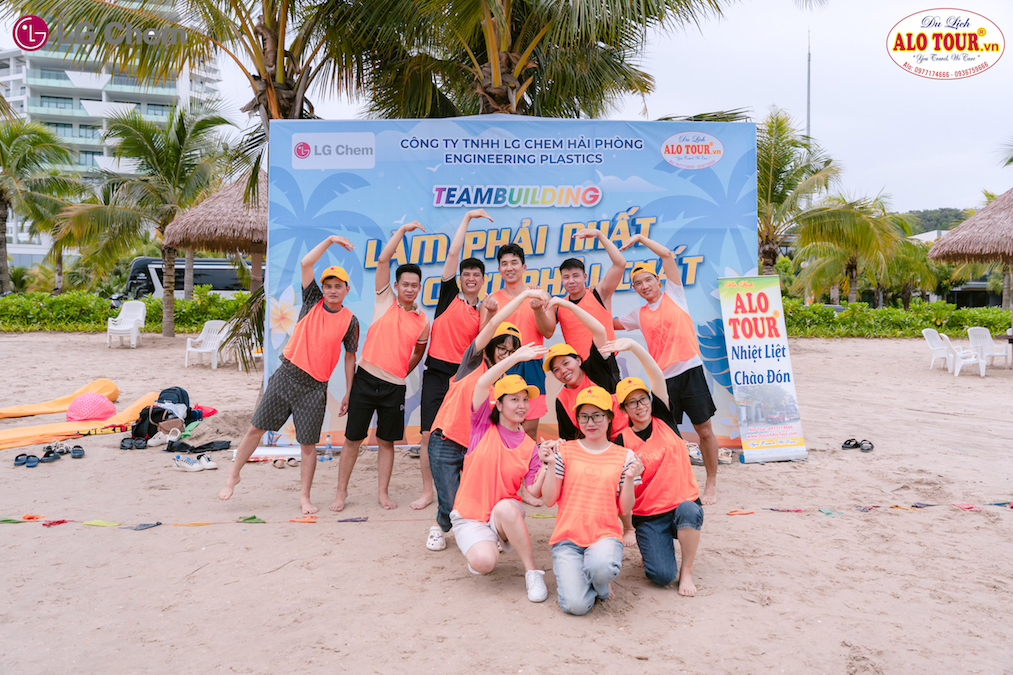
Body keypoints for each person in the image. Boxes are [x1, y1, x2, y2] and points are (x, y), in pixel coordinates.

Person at [218, 235, 359, 515]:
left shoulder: (350, 321)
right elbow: (306, 263)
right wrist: (330, 240)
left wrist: (348, 392)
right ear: (322, 289)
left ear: (346, 290)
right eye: (328, 285)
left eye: (338, 286)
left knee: (308, 446)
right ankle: (233, 475)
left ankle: (304, 497)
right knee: (255, 428)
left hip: (315, 388)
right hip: (287, 376)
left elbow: (350, 357)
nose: (332, 290)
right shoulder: (312, 300)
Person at [424, 289, 542, 551]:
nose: (505, 354)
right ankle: (439, 527)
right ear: (491, 345)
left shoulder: (508, 383)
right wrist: (523, 297)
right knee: (450, 499)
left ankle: (485, 533)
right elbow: (492, 323)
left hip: (477, 449)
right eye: (502, 348)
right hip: (446, 439)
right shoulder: (473, 362)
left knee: (476, 498)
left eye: (512, 351)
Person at [332, 222, 430, 511]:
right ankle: (341, 494)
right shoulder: (385, 299)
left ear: (419, 288)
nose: (409, 288)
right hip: (365, 379)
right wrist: (402, 232)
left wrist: (401, 371)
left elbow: (419, 351)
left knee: (386, 442)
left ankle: (383, 493)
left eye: (414, 285)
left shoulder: (423, 320)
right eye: (405, 284)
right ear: (396, 286)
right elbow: (384, 259)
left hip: (394, 388)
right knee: (353, 439)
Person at [615, 234, 720, 505]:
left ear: (658, 281)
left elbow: (667, 256)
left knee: (704, 431)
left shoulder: (675, 294)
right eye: (638, 284)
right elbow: (610, 323)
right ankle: (677, 484)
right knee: (668, 436)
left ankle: (711, 482)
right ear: (635, 290)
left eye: (647, 280)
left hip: (691, 372)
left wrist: (640, 238)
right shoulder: (638, 315)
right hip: (663, 381)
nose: (644, 286)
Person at [449, 343, 551, 603]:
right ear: (500, 404)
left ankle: (532, 572)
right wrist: (515, 358)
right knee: (484, 563)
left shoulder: (530, 446)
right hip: (470, 516)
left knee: (506, 507)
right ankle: (482, 547)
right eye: (514, 399)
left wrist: (547, 464)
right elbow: (482, 383)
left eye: (525, 400)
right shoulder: (482, 425)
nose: (522, 405)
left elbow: (535, 491)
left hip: (503, 515)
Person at [603, 337, 703, 596]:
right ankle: (652, 548)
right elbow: (617, 489)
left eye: (643, 399)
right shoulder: (621, 442)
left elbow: (656, 374)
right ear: (624, 409)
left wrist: (633, 346)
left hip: (681, 503)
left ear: (650, 400)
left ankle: (687, 572)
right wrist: (627, 527)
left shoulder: (664, 419)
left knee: (690, 510)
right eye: (632, 403)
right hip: (649, 515)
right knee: (661, 576)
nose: (640, 406)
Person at [538, 386, 643, 616]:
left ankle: (599, 579)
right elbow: (549, 499)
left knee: (602, 568)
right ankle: (595, 583)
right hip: (567, 540)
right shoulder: (564, 451)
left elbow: (625, 508)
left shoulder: (625, 456)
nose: (590, 422)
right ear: (577, 419)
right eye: (584, 416)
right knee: (575, 607)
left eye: (597, 415)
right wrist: (550, 463)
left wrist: (629, 478)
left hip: (604, 536)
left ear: (609, 417)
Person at [414, 208, 492, 511]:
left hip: (464, 378)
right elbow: (453, 252)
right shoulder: (448, 296)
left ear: (483, 280)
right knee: (428, 436)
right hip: (437, 372)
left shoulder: (483, 308)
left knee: (465, 438)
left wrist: (488, 312)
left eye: (476, 275)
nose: (471, 278)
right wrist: (467, 219)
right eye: (466, 274)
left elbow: (482, 341)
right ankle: (427, 492)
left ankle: (466, 490)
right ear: (459, 279)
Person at [486, 243, 555, 439]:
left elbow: (548, 332)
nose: (509, 268)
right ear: (499, 269)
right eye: (504, 263)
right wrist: (490, 312)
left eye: (514, 262)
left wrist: (538, 309)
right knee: (500, 427)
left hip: (532, 365)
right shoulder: (492, 301)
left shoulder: (540, 296)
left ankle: (528, 460)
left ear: (524, 267)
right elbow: (484, 338)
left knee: (530, 429)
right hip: (502, 366)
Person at [553, 227, 626, 380]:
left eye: (575, 275)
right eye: (566, 277)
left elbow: (620, 263)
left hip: (604, 363)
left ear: (584, 277)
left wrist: (599, 235)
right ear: (562, 280)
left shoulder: (599, 294)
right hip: (577, 369)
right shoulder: (559, 306)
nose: (571, 281)